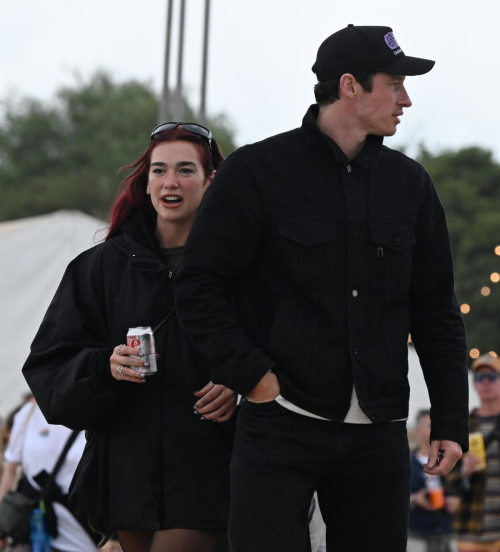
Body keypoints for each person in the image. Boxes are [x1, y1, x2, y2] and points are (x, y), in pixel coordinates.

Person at [173, 25, 469, 552]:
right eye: (395, 83)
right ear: (350, 85)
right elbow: (198, 286)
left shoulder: (412, 185)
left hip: (378, 431)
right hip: (279, 423)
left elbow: (437, 312)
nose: (406, 98)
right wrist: (253, 377)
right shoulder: (256, 172)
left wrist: (449, 417)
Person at [22, 122, 236, 552]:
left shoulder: (241, 265)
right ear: (147, 181)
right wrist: (105, 366)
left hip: (208, 467)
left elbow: (285, 347)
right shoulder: (100, 267)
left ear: (211, 180)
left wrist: (241, 382)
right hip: (126, 473)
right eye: (159, 170)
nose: (170, 182)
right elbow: (48, 364)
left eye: (185, 170)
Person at [0, 400, 100, 552]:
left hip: (88, 530)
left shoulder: (93, 407)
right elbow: (10, 471)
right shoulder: (28, 413)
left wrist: (114, 537)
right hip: (37, 531)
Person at [448, 354, 500, 552]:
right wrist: (464, 472)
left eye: (492, 377)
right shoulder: (463, 425)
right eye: (480, 378)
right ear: (474, 385)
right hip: (471, 529)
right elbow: (448, 481)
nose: (485, 382)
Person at [408, 410, 459, 552]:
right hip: (416, 536)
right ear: (417, 430)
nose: (436, 431)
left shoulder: (451, 462)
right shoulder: (405, 464)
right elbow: (390, 497)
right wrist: (415, 499)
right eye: (431, 426)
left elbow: (464, 490)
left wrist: (457, 502)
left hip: (448, 535)